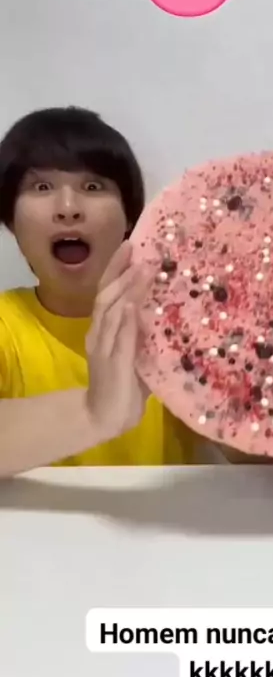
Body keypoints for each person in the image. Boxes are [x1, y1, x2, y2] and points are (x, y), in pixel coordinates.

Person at [0, 106, 198, 476]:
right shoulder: (5, 325)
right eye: (41, 187)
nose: (68, 209)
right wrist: (93, 412)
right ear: (10, 219)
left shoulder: (177, 325)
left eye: (93, 187)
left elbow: (251, 457)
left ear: (130, 219)